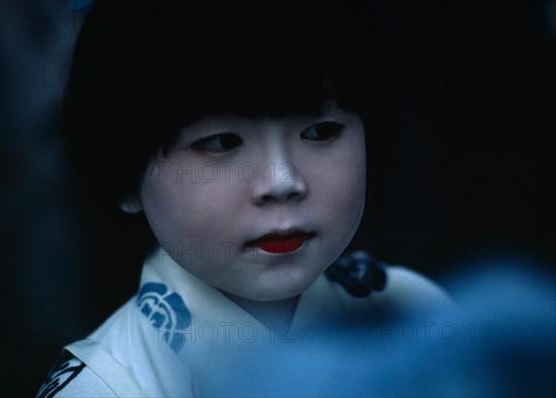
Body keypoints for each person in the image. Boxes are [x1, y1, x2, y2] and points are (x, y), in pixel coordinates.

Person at [36, 1, 450, 397]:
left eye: (320, 132)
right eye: (221, 141)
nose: (281, 181)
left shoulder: (416, 313)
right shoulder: (99, 390)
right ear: (125, 170)